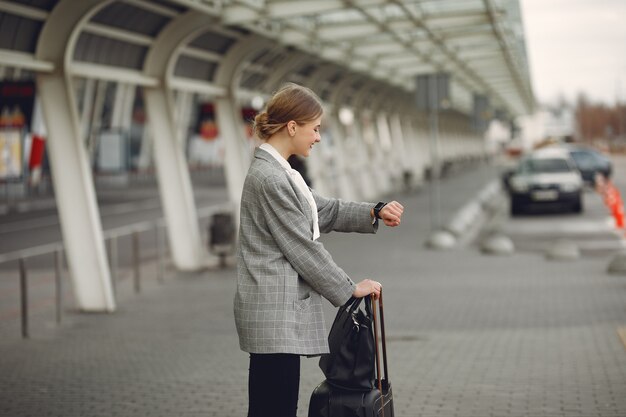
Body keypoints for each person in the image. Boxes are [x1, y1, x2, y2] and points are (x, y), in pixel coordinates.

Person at [234, 83, 404, 417]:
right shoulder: (271, 178)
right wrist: (348, 288)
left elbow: (321, 209)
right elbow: (301, 246)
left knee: (274, 407)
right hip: (274, 315)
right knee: (275, 409)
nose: (318, 137)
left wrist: (374, 210)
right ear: (292, 127)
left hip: (277, 315)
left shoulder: (281, 172)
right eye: (315, 129)